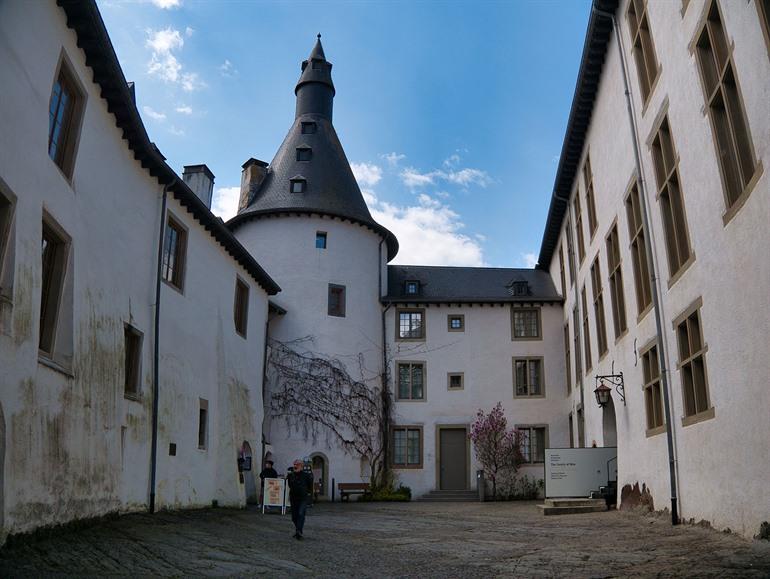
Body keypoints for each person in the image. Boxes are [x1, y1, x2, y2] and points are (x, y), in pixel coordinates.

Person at [286, 458, 313, 539]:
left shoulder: (306, 475)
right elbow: (289, 485)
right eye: (294, 464)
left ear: (301, 466)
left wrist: (306, 493)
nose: (295, 466)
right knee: (294, 517)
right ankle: (298, 530)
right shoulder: (291, 475)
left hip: (303, 498)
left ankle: (299, 532)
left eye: (296, 464)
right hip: (293, 498)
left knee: (301, 514)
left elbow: (310, 486)